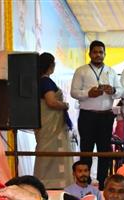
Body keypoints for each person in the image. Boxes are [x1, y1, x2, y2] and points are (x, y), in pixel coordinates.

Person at [71, 41, 122, 189]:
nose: (98, 55)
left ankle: (102, 184)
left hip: (106, 116)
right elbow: (74, 92)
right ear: (90, 54)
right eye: (95, 52)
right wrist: (88, 93)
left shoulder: (111, 71)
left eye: (101, 52)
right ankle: (84, 184)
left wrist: (113, 90)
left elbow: (121, 91)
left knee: (104, 151)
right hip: (87, 116)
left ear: (105, 54)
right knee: (86, 151)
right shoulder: (81, 71)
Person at [35, 52, 73, 188]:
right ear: (51, 66)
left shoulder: (38, 81)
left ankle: (44, 182)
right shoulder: (46, 81)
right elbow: (51, 102)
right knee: (53, 153)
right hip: (52, 126)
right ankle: (55, 184)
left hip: (46, 123)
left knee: (46, 154)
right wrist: (65, 105)